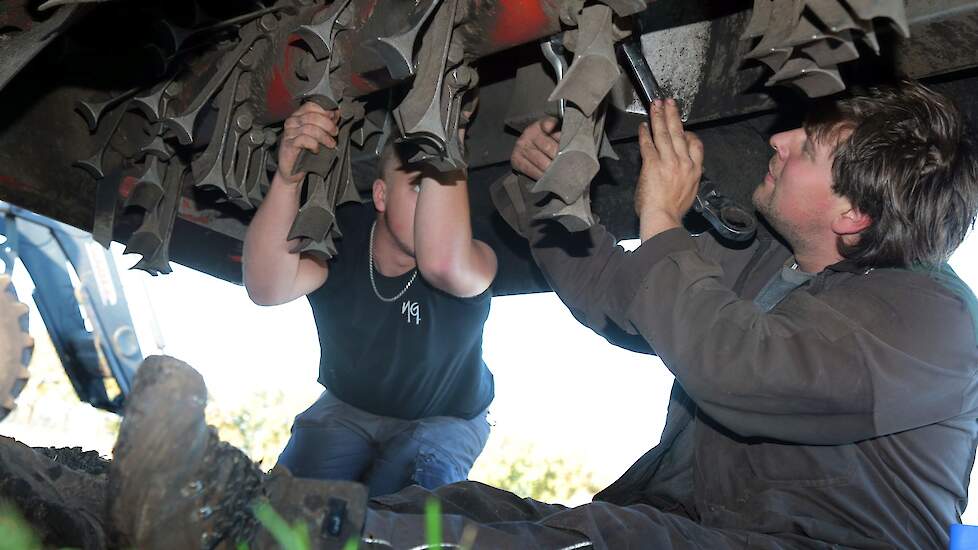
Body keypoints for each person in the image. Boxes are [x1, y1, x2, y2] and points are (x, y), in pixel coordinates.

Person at [108, 80, 978, 549]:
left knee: (580, 544)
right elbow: (622, 299)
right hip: (696, 526)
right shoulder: (769, 263)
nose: (782, 140)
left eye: (810, 146)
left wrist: (667, 220)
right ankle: (238, 514)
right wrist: (539, 196)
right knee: (478, 509)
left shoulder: (932, 321)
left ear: (855, 214)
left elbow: (740, 371)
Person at [241, 102, 498, 498]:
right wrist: (289, 178)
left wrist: (448, 140)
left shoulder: (472, 256)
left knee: (404, 514)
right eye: (418, 184)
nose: (431, 203)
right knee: (287, 507)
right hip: (347, 406)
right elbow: (268, 287)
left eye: (437, 185)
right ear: (381, 194)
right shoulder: (342, 238)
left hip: (445, 418)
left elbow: (445, 263)